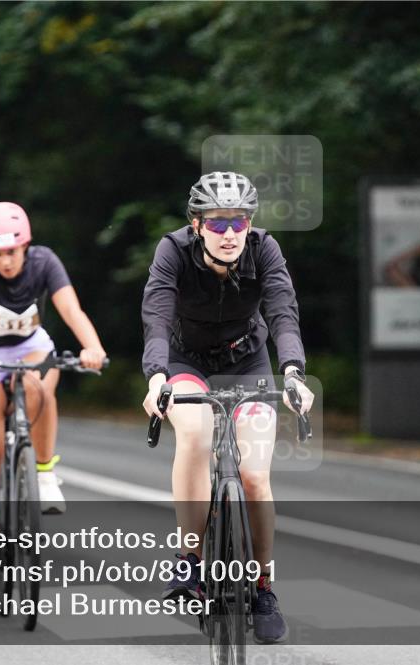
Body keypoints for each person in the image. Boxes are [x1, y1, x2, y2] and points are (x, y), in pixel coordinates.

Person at [141, 171, 315, 644]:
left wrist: (294, 373)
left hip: (248, 360)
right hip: (184, 361)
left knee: (256, 477)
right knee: (195, 433)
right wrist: (156, 374)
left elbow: (282, 312)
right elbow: (156, 314)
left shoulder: (264, 249)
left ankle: (262, 588)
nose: (229, 234)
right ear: (197, 225)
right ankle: (191, 560)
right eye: (217, 224)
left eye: (238, 222)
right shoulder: (172, 251)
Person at [0, 202, 107, 567]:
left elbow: (71, 310)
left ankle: (43, 472)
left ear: (25, 246)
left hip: (30, 350)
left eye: (12, 252)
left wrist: (92, 347)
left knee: (40, 385)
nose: (6, 261)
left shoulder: (44, 262)